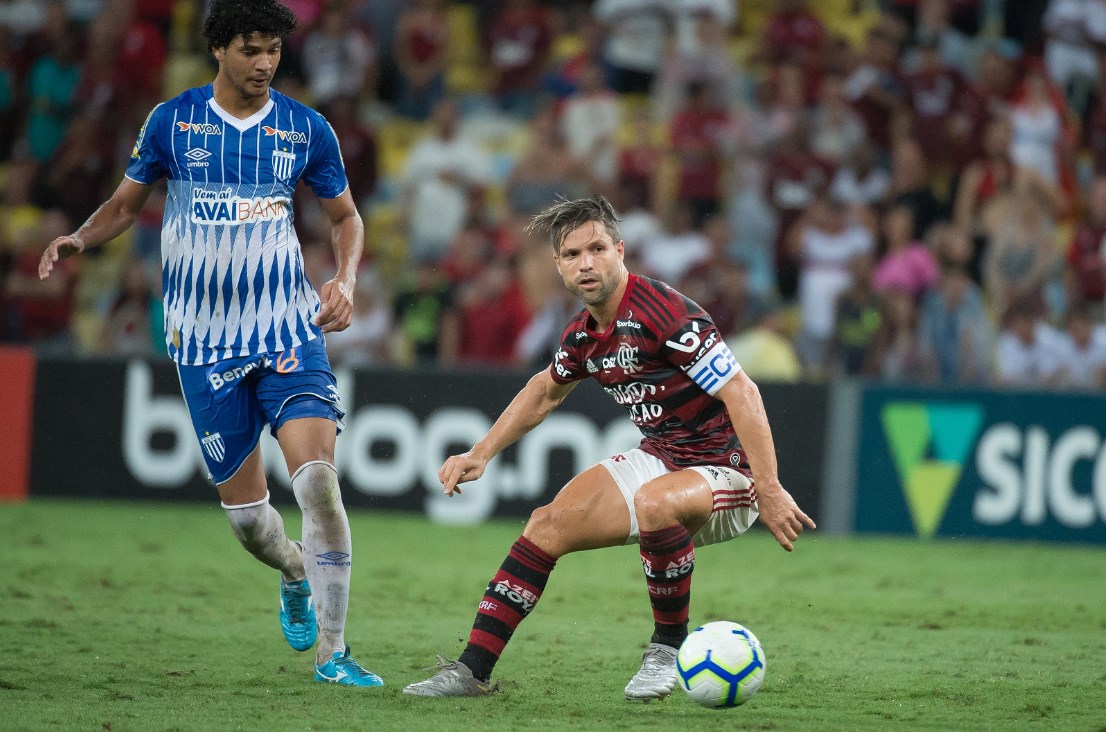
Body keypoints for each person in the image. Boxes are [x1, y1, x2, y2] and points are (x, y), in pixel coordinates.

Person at [37, 0, 382, 688]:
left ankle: (335, 655)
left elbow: (345, 216)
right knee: (253, 524)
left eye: (274, 52)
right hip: (203, 343)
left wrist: (343, 278)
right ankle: (293, 572)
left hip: (287, 329)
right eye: (251, 50)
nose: (264, 64)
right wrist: (81, 235)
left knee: (318, 484)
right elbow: (126, 205)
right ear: (219, 49)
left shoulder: (305, 128)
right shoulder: (174, 121)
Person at [402, 195, 814, 700]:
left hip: (728, 472)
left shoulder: (664, 313)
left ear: (620, 251)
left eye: (597, 248)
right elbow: (544, 391)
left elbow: (741, 391)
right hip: (663, 459)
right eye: (572, 255)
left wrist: (768, 488)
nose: (586, 263)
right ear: (558, 266)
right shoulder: (583, 335)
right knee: (545, 524)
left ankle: (667, 650)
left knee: (655, 502)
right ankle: (472, 671)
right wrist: (480, 452)